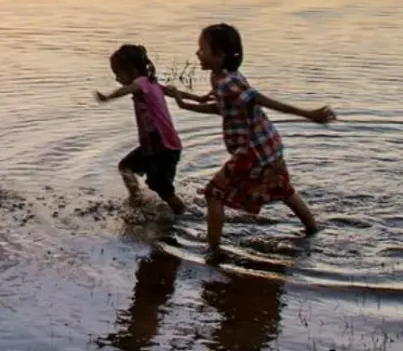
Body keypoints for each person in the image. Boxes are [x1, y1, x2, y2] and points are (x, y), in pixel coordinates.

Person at [172, 23, 335, 259]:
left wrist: (307, 113)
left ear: (219, 55)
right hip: (267, 145)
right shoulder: (219, 78)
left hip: (254, 150)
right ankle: (313, 231)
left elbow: (259, 100)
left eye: (202, 49)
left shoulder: (229, 82)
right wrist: (185, 104)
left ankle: (213, 251)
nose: (197, 53)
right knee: (284, 190)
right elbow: (224, 109)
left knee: (213, 194)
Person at [95, 44, 184, 215]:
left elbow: (128, 88)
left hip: (161, 146)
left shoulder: (141, 82)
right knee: (125, 167)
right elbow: (174, 93)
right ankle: (137, 198)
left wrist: (108, 97)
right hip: (157, 145)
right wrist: (198, 98)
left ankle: (182, 213)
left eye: (118, 73)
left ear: (132, 70)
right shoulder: (152, 84)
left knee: (163, 190)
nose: (116, 78)